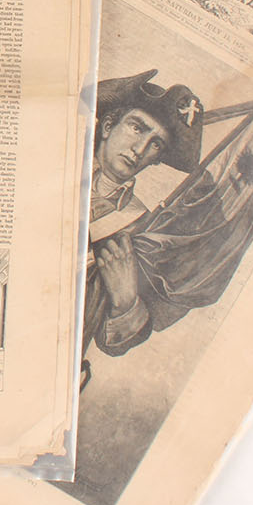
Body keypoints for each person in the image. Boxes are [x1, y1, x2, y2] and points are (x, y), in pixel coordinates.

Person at [81, 70, 203, 383]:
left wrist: (125, 300)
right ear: (108, 125)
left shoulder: (142, 228)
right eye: (137, 128)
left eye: (155, 144)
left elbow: (112, 344)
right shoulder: (53, 170)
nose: (139, 149)